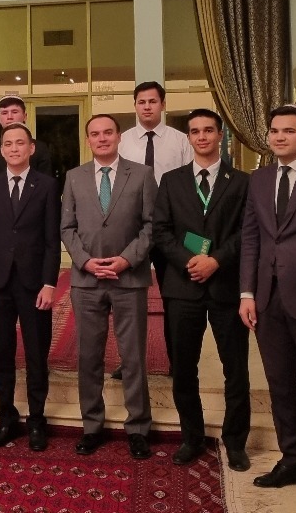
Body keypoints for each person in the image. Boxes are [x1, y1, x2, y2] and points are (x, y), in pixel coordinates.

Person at [152, 109, 250, 470]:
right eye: (195, 131)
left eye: (209, 130)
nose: (202, 136)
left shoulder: (242, 182)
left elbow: (247, 231)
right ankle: (191, 437)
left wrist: (216, 260)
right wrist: (188, 261)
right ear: (189, 138)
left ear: (220, 135)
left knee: (235, 369)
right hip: (183, 287)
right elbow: (160, 231)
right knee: (183, 368)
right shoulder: (171, 181)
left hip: (226, 286)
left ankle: (235, 441)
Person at [239, 105, 296, 507]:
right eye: (274, 130)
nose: (279, 137)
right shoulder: (258, 179)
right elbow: (251, 238)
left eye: (288, 131)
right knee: (280, 385)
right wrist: (247, 293)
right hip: (267, 300)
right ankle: (293, 460)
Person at [60, 115, 157, 460]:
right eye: (95, 134)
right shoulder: (74, 177)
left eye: (107, 133)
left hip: (128, 278)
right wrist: (85, 261)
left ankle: (138, 427)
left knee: (133, 357)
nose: (102, 139)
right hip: (87, 280)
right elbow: (67, 227)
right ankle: (92, 425)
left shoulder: (142, 175)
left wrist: (126, 260)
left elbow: (151, 225)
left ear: (118, 136)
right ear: (88, 140)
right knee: (88, 356)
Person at [0, 123, 60, 452]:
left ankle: (36, 420)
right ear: (1, 150)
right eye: (8, 144)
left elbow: (52, 240)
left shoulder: (47, 185)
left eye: (20, 143)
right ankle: (6, 419)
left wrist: (50, 283)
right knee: (2, 354)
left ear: (31, 148)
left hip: (34, 283)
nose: (13, 148)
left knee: (36, 355)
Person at [117, 81, 193, 377]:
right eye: (141, 101)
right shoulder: (123, 141)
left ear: (163, 104)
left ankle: (177, 362)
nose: (147, 106)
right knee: (127, 298)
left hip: (169, 228)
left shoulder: (180, 141)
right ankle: (129, 362)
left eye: (152, 101)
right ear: (135, 105)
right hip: (132, 228)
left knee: (174, 297)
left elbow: (187, 184)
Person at [0, 95, 53, 190]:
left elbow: (47, 185)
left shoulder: (40, 148)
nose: (9, 117)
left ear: (25, 116)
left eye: (14, 112)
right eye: (4, 113)